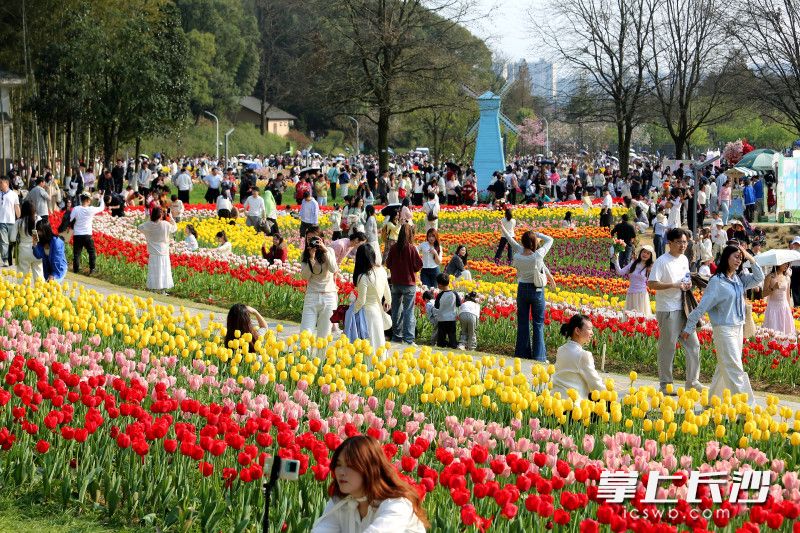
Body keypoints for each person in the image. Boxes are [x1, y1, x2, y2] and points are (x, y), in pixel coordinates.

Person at [683, 244, 764, 406]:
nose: (739, 260)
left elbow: (759, 277)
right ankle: (746, 407)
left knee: (724, 367)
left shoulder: (738, 279)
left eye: (740, 258)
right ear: (726, 257)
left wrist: (750, 258)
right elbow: (703, 306)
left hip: (738, 329)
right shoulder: (717, 281)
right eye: (736, 256)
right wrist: (689, 326)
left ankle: (714, 401)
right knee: (734, 367)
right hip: (724, 330)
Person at [311, 435, 428, 533]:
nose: (341, 472)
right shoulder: (340, 501)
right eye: (338, 464)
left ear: (370, 468)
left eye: (350, 465)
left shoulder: (397, 504)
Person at [647, 228, 702, 395]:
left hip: (684, 308)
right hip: (668, 310)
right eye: (679, 242)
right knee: (668, 348)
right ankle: (666, 385)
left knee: (694, 345)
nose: (683, 245)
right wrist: (673, 285)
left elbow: (685, 277)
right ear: (669, 243)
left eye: (685, 242)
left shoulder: (684, 259)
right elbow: (652, 284)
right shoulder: (662, 261)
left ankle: (692, 382)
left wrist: (687, 283)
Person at [501, 226, 554, 361]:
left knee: (523, 323)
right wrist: (537, 234)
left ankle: (522, 354)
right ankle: (539, 356)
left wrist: (503, 229)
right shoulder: (538, 255)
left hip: (522, 290)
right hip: (536, 290)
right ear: (534, 242)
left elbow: (511, 241)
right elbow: (550, 240)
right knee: (538, 323)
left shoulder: (518, 255)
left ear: (522, 242)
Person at [551, 314, 606, 401]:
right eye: (589, 329)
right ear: (577, 330)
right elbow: (595, 384)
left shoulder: (561, 350)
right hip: (574, 404)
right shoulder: (583, 355)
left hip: (555, 401)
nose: (592, 333)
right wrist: (610, 395)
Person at [386, 224, 423, 346]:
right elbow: (419, 265)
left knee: (396, 310)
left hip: (396, 282)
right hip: (408, 283)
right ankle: (408, 339)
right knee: (408, 311)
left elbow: (388, 264)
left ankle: (396, 336)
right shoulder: (411, 248)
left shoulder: (394, 247)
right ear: (410, 234)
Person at [353, 244, 392, 355]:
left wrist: (352, 311)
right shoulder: (382, 271)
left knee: (369, 343)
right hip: (378, 311)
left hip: (367, 313)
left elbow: (361, 300)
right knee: (379, 341)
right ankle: (380, 362)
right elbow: (387, 293)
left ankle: (369, 363)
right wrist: (387, 302)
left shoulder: (363, 276)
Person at [300, 235, 339, 341]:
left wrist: (325, 250)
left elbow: (334, 269)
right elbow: (305, 276)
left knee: (324, 335)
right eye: (310, 240)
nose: (314, 243)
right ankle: (305, 352)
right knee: (305, 333)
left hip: (329, 296)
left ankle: (321, 353)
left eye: (317, 240)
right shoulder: (305, 254)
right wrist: (311, 258)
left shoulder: (329, 251)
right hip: (312, 295)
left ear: (322, 240)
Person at [138, 207, 177, 293]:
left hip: (153, 252)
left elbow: (139, 227)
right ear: (161, 215)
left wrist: (149, 221)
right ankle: (163, 291)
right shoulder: (165, 224)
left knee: (154, 271)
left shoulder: (149, 225)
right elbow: (174, 228)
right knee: (164, 270)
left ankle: (154, 289)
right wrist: (171, 218)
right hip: (163, 251)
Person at [613, 245, 654, 317]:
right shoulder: (633, 264)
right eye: (644, 252)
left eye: (648, 253)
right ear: (640, 253)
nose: (645, 254)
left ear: (650, 256)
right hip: (631, 294)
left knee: (640, 317)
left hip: (641, 295)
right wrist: (616, 260)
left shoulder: (649, 268)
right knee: (630, 316)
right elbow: (620, 272)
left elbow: (653, 281)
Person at [70, 193, 105, 275]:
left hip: (77, 234)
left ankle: (76, 269)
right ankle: (92, 269)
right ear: (88, 200)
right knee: (91, 252)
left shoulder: (76, 209)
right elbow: (102, 208)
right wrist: (102, 198)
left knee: (77, 253)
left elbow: (70, 219)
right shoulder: (91, 209)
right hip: (87, 234)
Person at [762, 261, 796, 337]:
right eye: (785, 263)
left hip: (784, 307)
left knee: (785, 330)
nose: (787, 265)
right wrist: (773, 288)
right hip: (773, 307)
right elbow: (764, 294)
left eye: (788, 264)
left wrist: (789, 308)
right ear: (778, 263)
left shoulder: (787, 278)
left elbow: (787, 294)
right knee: (773, 328)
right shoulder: (770, 277)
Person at [15, 201, 44, 282]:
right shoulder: (39, 219)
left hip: (23, 251)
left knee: (22, 277)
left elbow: (12, 238)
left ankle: (22, 290)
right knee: (39, 275)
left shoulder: (19, 222)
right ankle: (40, 290)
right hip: (37, 250)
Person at [434, 273, 461, 348]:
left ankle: (442, 344)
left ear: (440, 285)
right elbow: (459, 303)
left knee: (441, 336)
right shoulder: (454, 293)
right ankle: (453, 344)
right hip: (451, 318)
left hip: (442, 318)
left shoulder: (440, 295)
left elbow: (436, 306)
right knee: (452, 334)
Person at [0, 175, 21, 267]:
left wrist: (19, 219)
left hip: (11, 222)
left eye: (1, 182)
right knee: (4, 241)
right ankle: (5, 260)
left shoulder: (14, 194)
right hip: (1, 222)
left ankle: (10, 260)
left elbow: (17, 207)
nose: (0, 184)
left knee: (11, 242)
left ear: (7, 183)